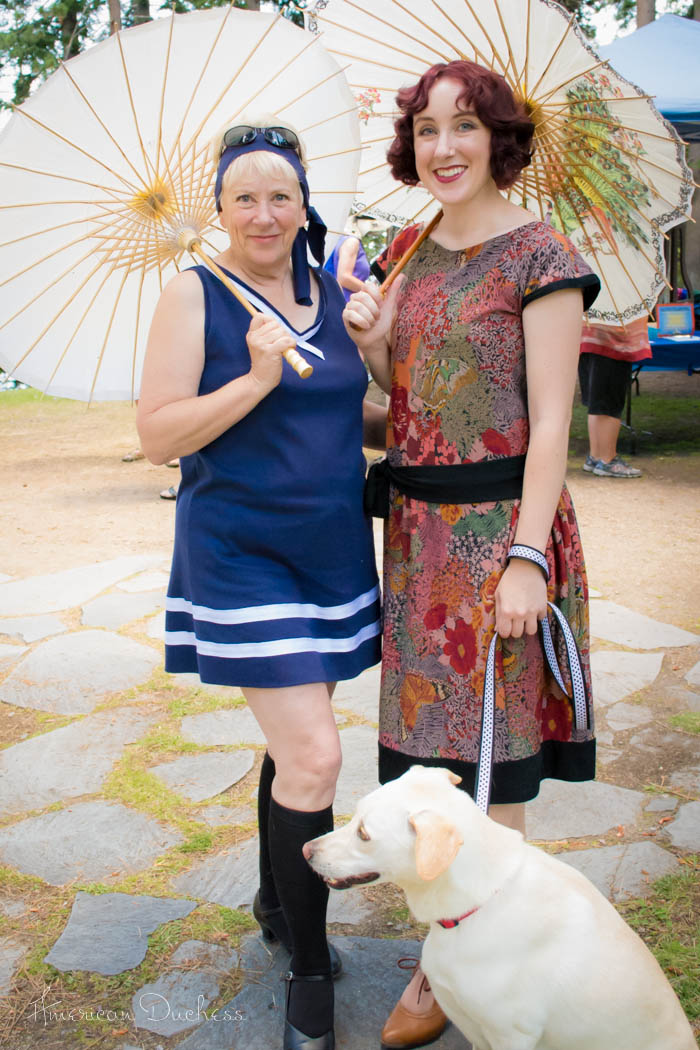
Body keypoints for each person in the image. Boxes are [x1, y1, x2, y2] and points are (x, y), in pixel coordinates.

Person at [342, 60, 600, 1049]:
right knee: (425, 767)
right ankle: (453, 958)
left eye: (464, 127)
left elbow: (547, 426)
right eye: (426, 129)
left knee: (492, 767)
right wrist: (366, 344)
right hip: (414, 542)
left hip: (498, 540)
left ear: (498, 138)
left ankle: (460, 974)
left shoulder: (540, 254)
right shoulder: (406, 245)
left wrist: (529, 557)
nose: (442, 147)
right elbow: (408, 407)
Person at [136, 118, 384, 1050]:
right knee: (317, 757)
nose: (265, 211)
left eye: (281, 193)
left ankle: (276, 900)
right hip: (240, 553)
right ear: (222, 208)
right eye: (246, 195)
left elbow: (352, 414)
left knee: (296, 752)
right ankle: (311, 969)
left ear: (304, 202)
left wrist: (383, 346)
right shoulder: (192, 295)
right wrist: (253, 377)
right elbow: (159, 434)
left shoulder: (334, 290)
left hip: (328, 551)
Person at [579, 318, 650, 477]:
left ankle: (596, 456)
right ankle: (608, 459)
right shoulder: (618, 300)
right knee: (610, 406)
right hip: (612, 344)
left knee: (596, 404)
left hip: (589, 341)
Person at [323, 232, 371, 301]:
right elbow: (344, 278)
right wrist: (370, 291)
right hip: (342, 302)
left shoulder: (345, 240)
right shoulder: (352, 241)